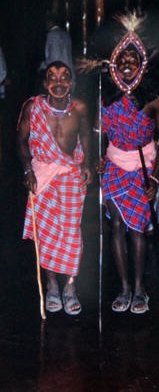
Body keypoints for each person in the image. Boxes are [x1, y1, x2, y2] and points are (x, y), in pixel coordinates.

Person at [96, 13, 159, 315]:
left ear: (142, 65)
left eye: (133, 59)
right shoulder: (106, 96)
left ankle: (140, 289)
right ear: (114, 63)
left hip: (142, 168)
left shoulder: (153, 100)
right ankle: (124, 288)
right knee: (116, 229)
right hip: (114, 166)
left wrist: (154, 178)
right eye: (122, 58)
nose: (127, 63)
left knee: (137, 230)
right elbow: (101, 134)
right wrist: (99, 159)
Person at [18, 60, 92, 315]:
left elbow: (85, 136)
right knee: (47, 232)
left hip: (70, 174)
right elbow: (22, 140)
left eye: (64, 78)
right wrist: (28, 170)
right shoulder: (33, 107)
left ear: (71, 83)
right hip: (42, 174)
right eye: (53, 77)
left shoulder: (79, 107)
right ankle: (51, 285)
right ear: (45, 83)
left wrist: (87, 165)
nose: (58, 82)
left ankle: (70, 286)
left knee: (71, 232)